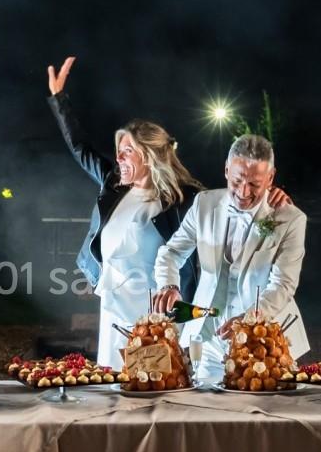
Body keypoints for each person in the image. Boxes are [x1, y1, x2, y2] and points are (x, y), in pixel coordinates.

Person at [46, 56, 205, 368]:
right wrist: (59, 99)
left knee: (150, 387)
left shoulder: (183, 198)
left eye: (127, 150)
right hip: (114, 306)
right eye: (119, 150)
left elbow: (233, 202)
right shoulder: (115, 184)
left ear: (148, 155)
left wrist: (272, 197)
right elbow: (81, 149)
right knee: (112, 383)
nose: (118, 157)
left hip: (154, 314)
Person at [152, 133, 307, 383]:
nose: (244, 192)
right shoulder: (204, 204)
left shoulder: (290, 219)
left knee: (262, 416)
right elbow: (171, 252)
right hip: (208, 339)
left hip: (264, 343)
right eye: (237, 181)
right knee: (204, 412)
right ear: (226, 170)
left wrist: (249, 320)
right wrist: (169, 285)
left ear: (271, 177)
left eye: (255, 185)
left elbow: (283, 285)